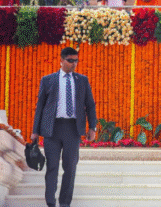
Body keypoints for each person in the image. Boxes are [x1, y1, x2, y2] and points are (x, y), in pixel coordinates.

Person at [31, 47, 97, 207]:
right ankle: (50, 202)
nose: (74, 64)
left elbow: (90, 105)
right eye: (70, 60)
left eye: (76, 61)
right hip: (51, 128)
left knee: (70, 167)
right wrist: (35, 131)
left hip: (73, 129)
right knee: (52, 166)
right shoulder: (48, 80)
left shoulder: (82, 80)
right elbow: (40, 106)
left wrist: (92, 127)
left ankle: (65, 203)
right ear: (61, 61)